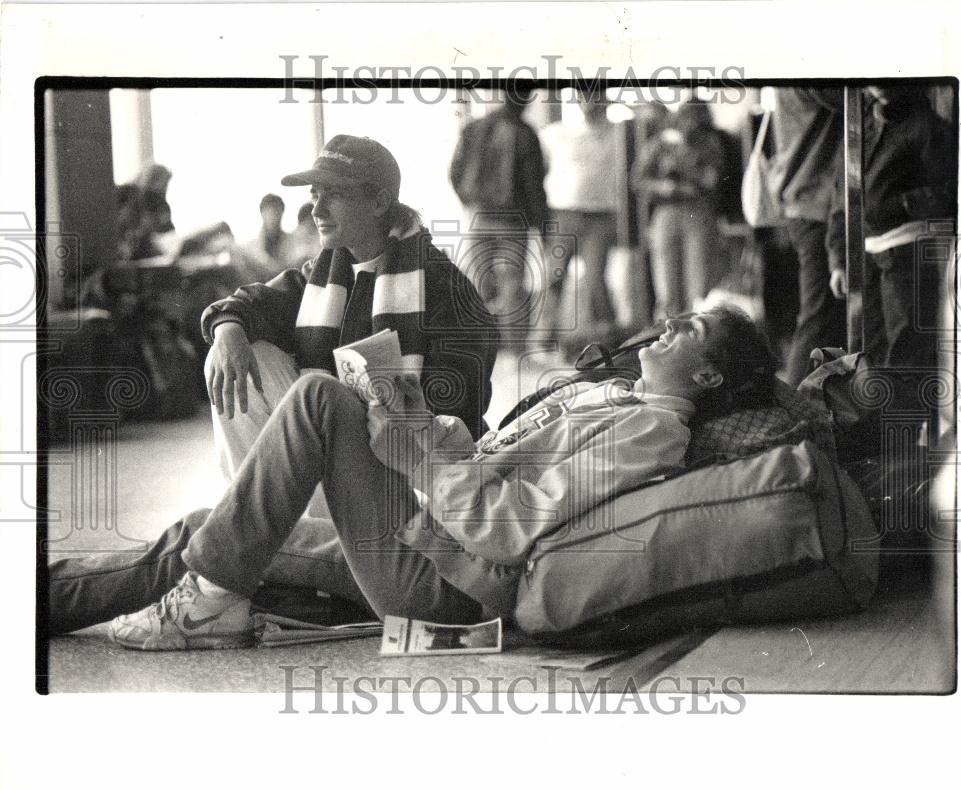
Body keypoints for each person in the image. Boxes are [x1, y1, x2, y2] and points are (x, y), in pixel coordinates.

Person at [47, 305, 776, 649]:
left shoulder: (651, 430)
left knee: (316, 399)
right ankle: (41, 599)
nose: (671, 326)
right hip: (436, 533)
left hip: (454, 579)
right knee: (207, 531)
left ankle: (210, 599)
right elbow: (491, 463)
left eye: (693, 332)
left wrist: (416, 456)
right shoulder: (619, 398)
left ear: (708, 374)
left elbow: (512, 525)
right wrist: (414, 423)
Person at [202, 135, 499, 497]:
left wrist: (380, 410)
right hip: (341, 455)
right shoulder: (325, 276)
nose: (317, 209)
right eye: (314, 194)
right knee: (242, 359)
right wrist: (227, 330)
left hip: (410, 475)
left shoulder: (443, 287)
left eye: (334, 194)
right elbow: (251, 301)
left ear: (378, 201)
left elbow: (460, 417)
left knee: (320, 395)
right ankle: (255, 516)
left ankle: (323, 534)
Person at [826, 86, 956, 369]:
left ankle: (901, 413)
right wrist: (838, 259)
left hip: (905, 252)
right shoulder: (858, 125)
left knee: (905, 352)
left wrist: (899, 204)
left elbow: (950, 191)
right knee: (868, 351)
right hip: (865, 253)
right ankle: (875, 412)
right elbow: (841, 196)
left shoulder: (926, 126)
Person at [449, 86, 549, 343]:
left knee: (478, 283)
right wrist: (542, 226)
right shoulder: (526, 133)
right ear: (525, 100)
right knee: (511, 286)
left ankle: (483, 348)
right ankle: (515, 352)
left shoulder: (474, 128)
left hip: (478, 218)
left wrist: (470, 203)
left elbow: (454, 172)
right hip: (512, 222)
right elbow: (533, 186)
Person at [770, 89, 846, 386]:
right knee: (818, 316)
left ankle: (799, 404)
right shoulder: (814, 78)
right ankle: (793, 407)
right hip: (816, 199)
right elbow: (851, 96)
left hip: (806, 199)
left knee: (820, 314)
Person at [537, 87, 619, 343]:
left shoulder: (618, 133)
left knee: (596, 278)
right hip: (563, 214)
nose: (591, 102)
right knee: (554, 276)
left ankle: (607, 343)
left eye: (597, 96)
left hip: (600, 216)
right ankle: (543, 341)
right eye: (585, 95)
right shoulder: (556, 133)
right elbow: (539, 171)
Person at [632, 99, 726, 321]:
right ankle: (665, 339)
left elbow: (711, 180)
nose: (689, 125)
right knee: (666, 290)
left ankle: (697, 339)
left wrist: (684, 157)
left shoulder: (710, 144)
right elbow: (638, 180)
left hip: (698, 210)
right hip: (666, 212)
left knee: (699, 288)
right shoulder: (660, 143)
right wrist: (665, 187)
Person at [233, 193, 295, 280]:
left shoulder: (293, 242)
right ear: (262, 213)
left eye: (277, 211)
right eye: (270, 212)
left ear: (282, 213)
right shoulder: (250, 247)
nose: (274, 216)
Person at [288, 200, 320, 266]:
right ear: (301, 222)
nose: (309, 224)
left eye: (312, 221)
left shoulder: (321, 237)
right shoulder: (292, 238)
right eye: (306, 221)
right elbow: (289, 259)